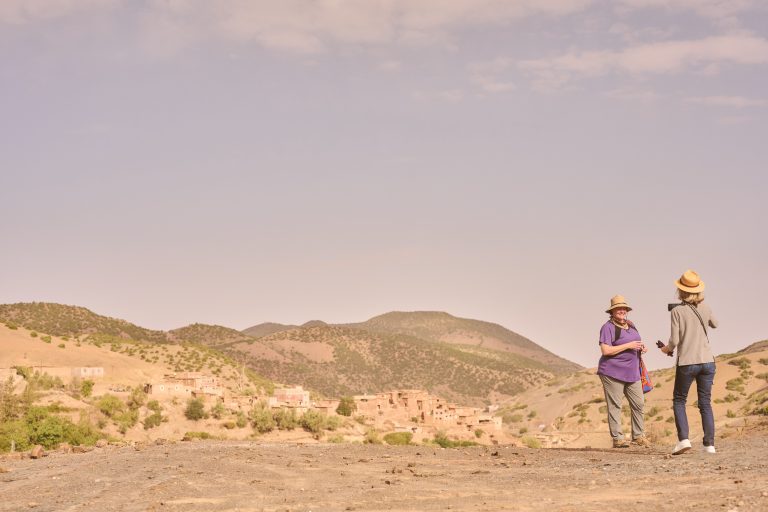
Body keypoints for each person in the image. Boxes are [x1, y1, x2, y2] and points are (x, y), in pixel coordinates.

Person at [659, 270, 718, 455]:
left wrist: (666, 349)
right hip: (708, 361)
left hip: (687, 362)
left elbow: (674, 341)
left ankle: (684, 440)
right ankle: (709, 445)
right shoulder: (706, 307)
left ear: (681, 290)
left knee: (679, 400)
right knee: (705, 402)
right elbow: (715, 324)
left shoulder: (677, 311)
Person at [597, 295, 649, 448]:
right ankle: (618, 439)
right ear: (612, 312)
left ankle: (638, 436)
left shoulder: (631, 325)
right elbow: (605, 350)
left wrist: (641, 348)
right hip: (612, 372)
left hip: (633, 372)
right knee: (615, 405)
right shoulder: (607, 327)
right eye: (618, 309)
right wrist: (628, 346)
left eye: (623, 308)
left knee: (639, 404)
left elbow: (635, 343)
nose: (621, 311)